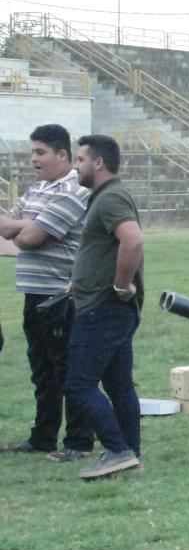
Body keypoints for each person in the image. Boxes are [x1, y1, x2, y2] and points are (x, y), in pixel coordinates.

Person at [0, 124, 94, 461]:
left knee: (66, 369)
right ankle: (43, 437)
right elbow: (11, 227)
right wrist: (25, 226)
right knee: (41, 369)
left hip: (60, 295)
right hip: (33, 293)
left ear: (63, 155)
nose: (33, 160)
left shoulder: (74, 191)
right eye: (32, 152)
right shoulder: (39, 188)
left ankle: (78, 441)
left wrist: (24, 227)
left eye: (40, 153)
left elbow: (30, 238)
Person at [66, 135, 146, 481]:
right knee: (118, 386)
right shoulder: (105, 197)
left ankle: (118, 450)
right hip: (108, 307)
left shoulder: (110, 197)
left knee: (78, 384)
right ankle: (130, 454)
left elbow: (132, 239)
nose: (75, 165)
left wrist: (118, 284)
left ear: (98, 163)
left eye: (80, 159)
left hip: (104, 309)